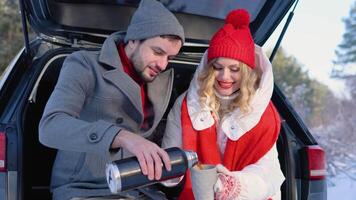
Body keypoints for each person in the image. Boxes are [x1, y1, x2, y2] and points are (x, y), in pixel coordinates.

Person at [39, 0, 184, 199]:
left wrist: (167, 167)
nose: (162, 64)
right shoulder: (85, 65)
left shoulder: (161, 82)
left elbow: (155, 138)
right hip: (84, 188)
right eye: (158, 52)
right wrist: (122, 137)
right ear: (133, 40)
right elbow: (50, 127)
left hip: (138, 188)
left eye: (170, 58)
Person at [162, 9, 285, 200]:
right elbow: (171, 163)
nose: (224, 77)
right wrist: (166, 169)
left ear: (246, 72)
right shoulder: (187, 105)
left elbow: (269, 174)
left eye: (234, 69)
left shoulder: (264, 114)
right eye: (217, 67)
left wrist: (236, 186)